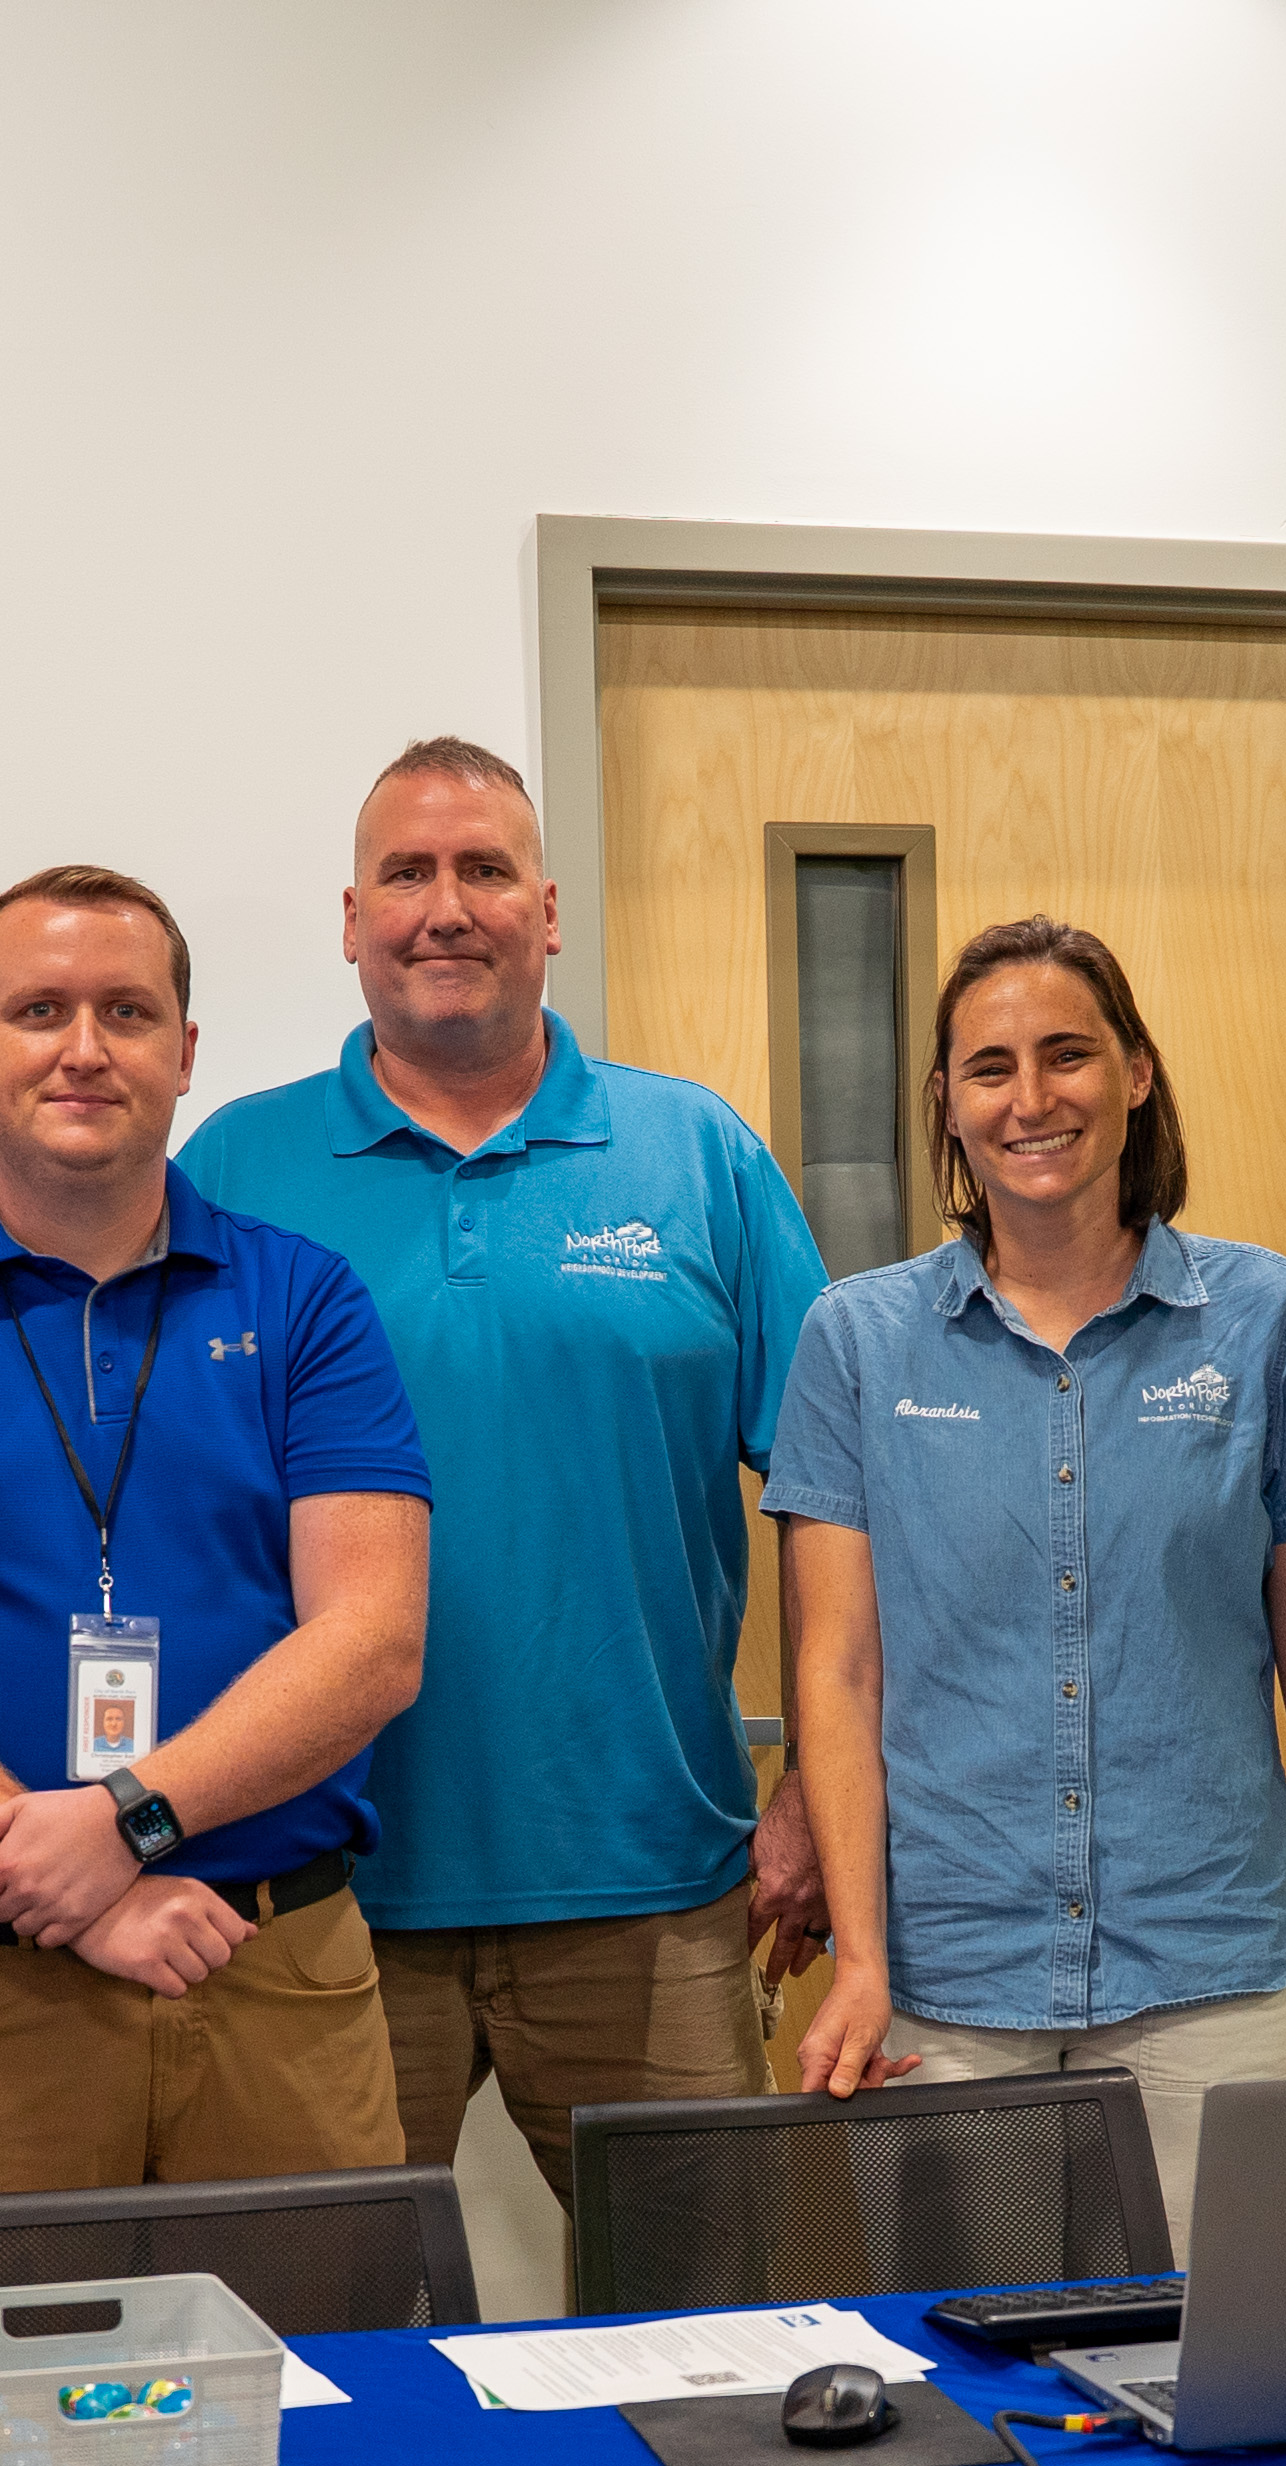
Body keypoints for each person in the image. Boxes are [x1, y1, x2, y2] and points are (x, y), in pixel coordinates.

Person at [177, 738, 831, 2208]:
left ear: (546, 913)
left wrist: (814, 1805)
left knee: (709, 2342)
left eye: (483, 870)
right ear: (352, 922)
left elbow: (843, 1506)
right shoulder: (231, 1170)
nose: (444, 906)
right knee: (334, 2349)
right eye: (406, 873)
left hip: (653, 1888)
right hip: (317, 1892)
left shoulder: (695, 1156)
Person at [0, 866, 429, 2198]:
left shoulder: (306, 1302)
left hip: (270, 1972)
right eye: (39, 1011)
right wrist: (78, 1887)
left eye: (126, 1012)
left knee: (329, 2384)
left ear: (184, 1054)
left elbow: (371, 1644)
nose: (83, 1048)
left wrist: (126, 1821)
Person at [764, 916, 1286, 2248]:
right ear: (945, 1101)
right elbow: (838, 1671)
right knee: (976, 2382)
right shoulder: (856, 1343)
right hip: (949, 1984)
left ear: (1138, 1073)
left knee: (1215, 2372)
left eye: (1068, 1056)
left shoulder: (1268, 1322)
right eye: (989, 1068)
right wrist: (863, 1962)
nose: (1030, 1099)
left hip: (1216, 1974)